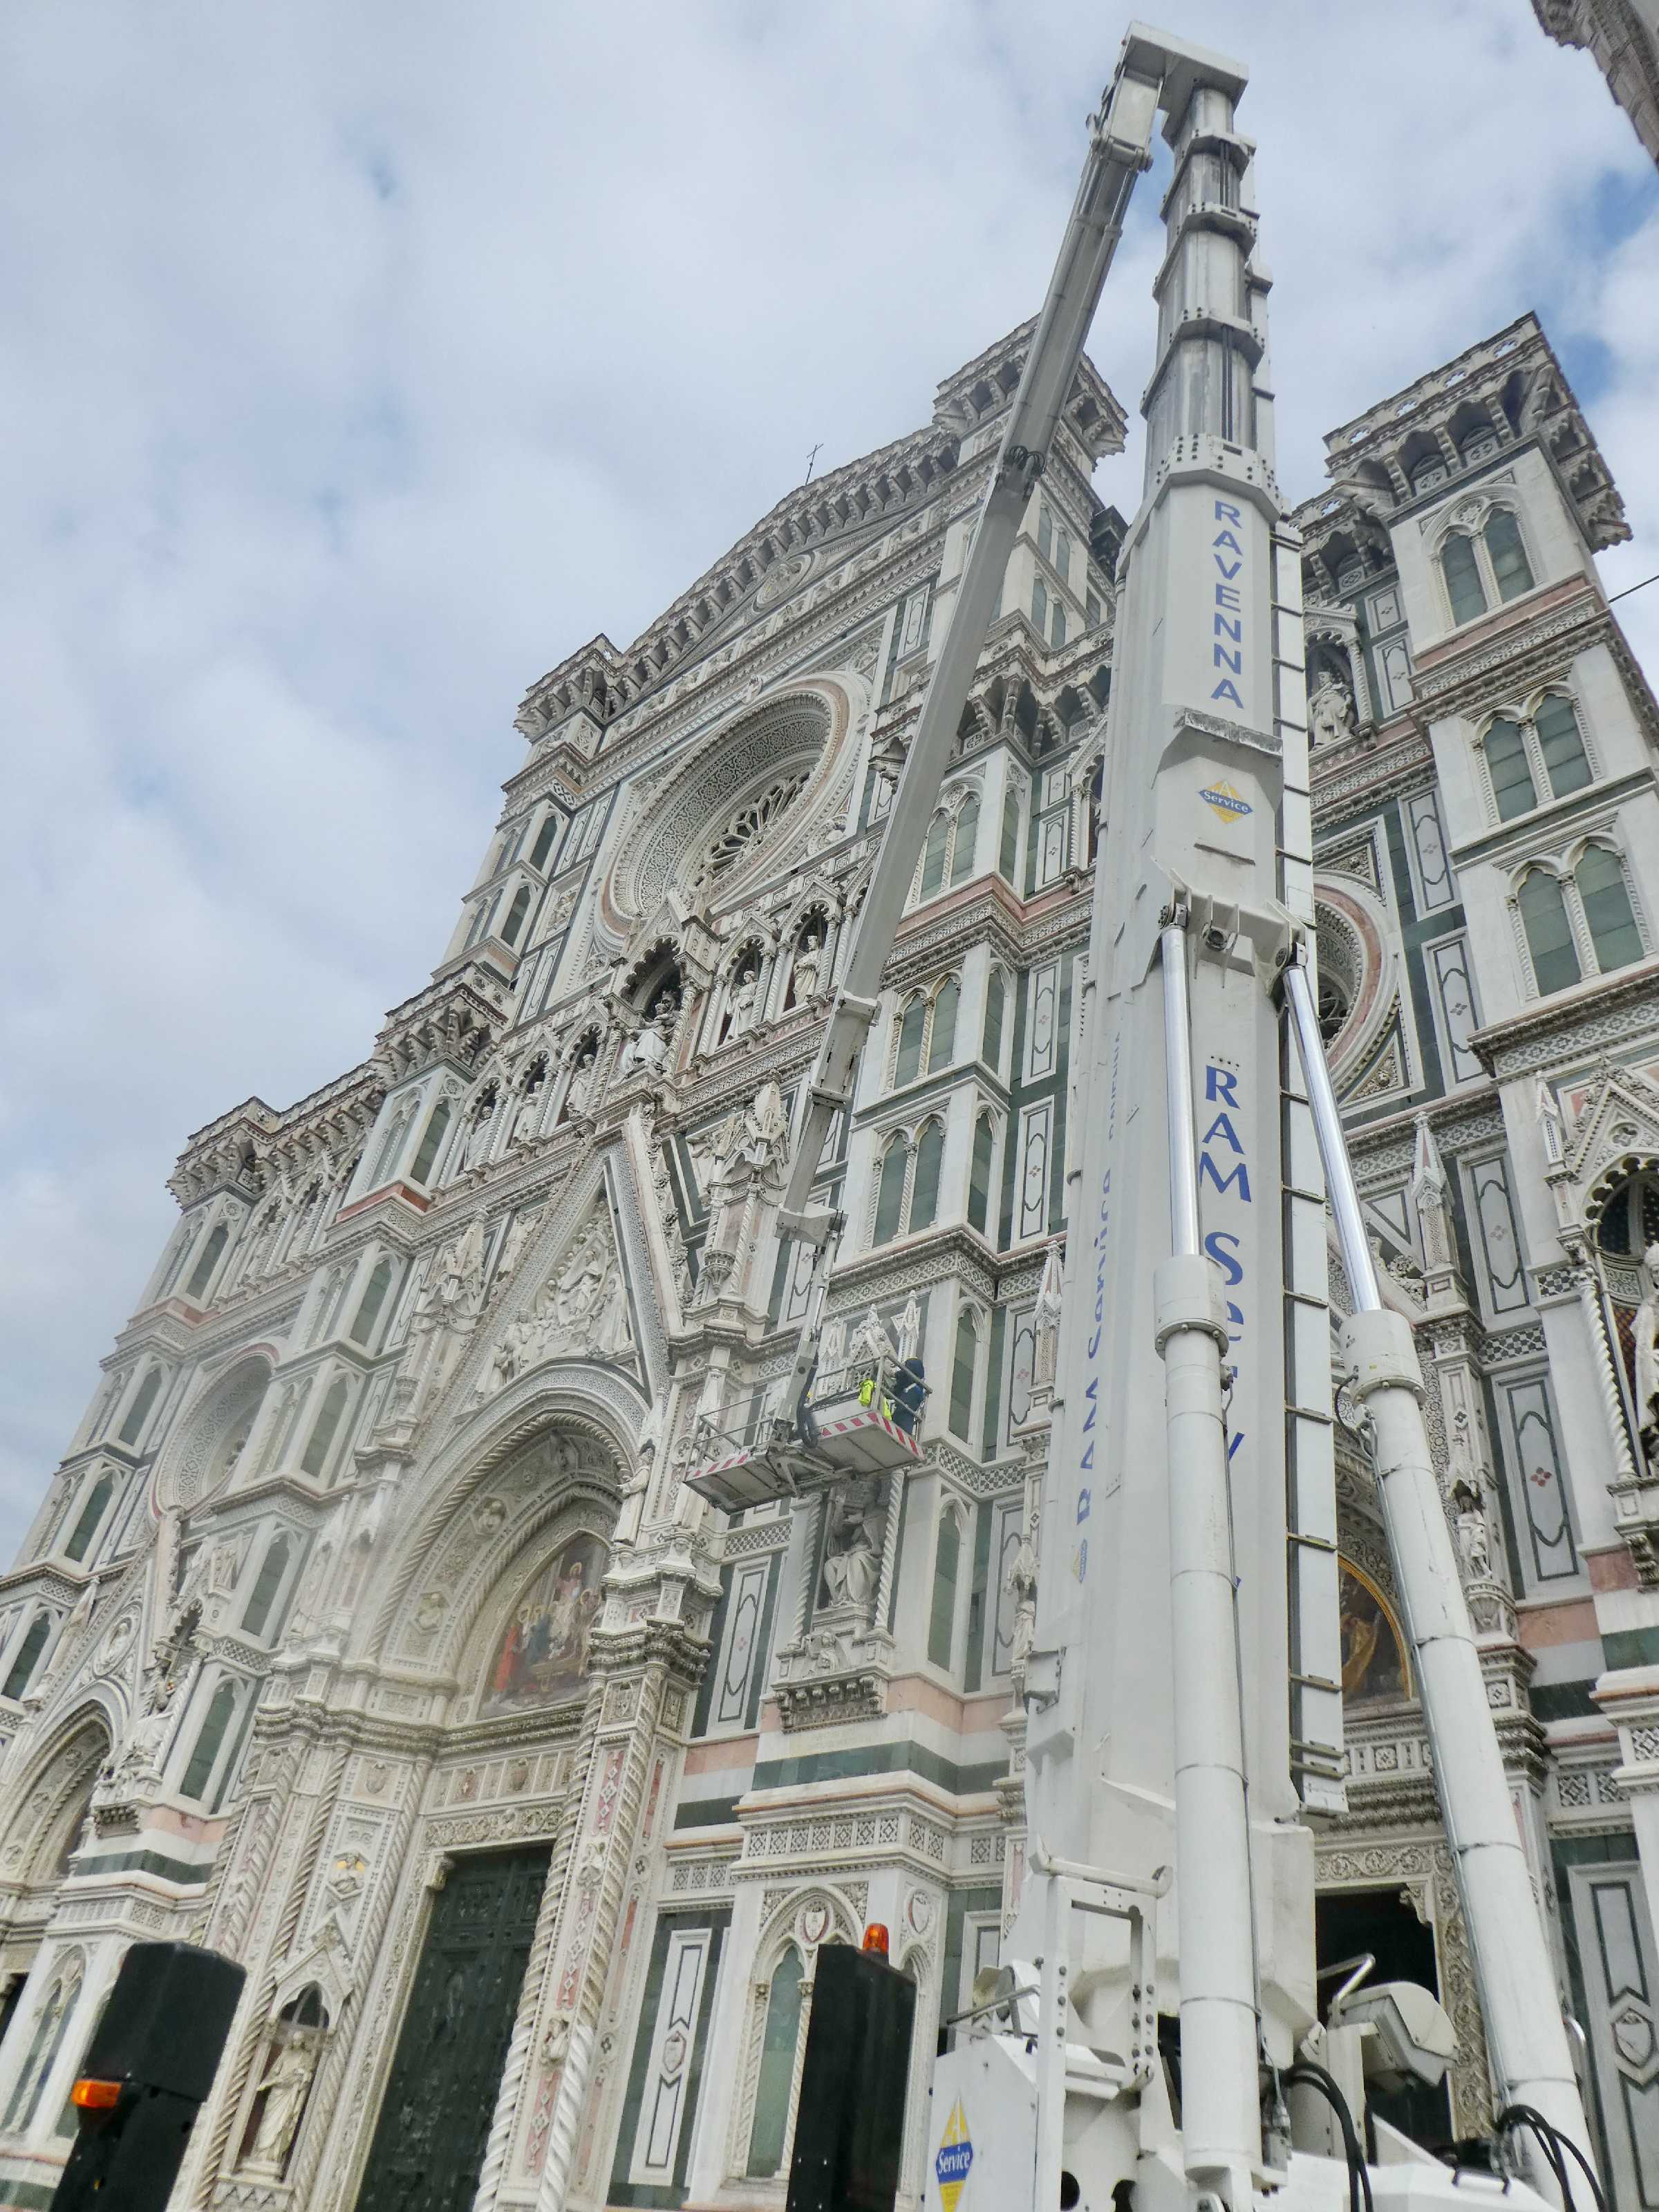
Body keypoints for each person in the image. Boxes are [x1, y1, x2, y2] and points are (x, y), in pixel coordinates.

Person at [890, 1357, 926, 1436]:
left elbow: (905, 1375)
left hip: (903, 1417)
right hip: (904, 1418)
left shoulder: (913, 1364)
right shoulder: (912, 1387)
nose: (902, 1369)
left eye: (904, 1366)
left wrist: (894, 1374)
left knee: (902, 1418)